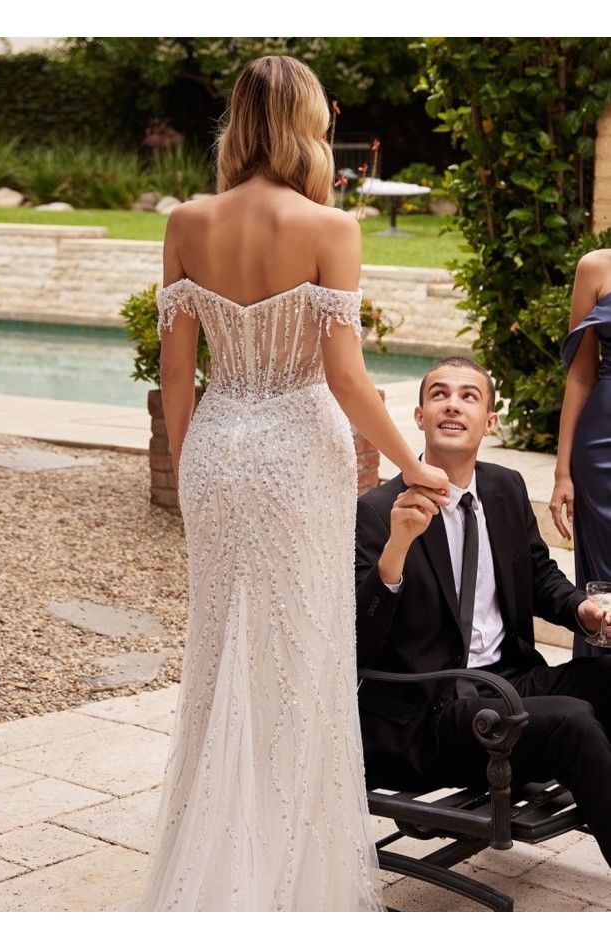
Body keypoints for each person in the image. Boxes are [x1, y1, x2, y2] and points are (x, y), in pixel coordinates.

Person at [134, 55, 449, 912]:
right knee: (300, 652)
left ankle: (215, 862)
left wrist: (201, 459)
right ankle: (285, 874)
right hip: (299, 454)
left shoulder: (185, 220)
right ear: (308, 122)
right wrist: (417, 463)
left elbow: (176, 368)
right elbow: (346, 379)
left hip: (219, 445)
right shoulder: (329, 226)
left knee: (223, 646)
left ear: (236, 121)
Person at [355, 356, 611, 867]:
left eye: (469, 396)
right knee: (572, 722)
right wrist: (396, 551)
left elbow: (539, 577)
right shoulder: (380, 511)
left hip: (509, 681)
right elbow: (358, 640)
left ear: (490, 421)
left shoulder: (505, 488)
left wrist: (582, 609)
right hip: (432, 709)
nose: (453, 403)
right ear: (419, 416)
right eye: (439, 395)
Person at [550, 248, 611, 658]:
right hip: (602, 449)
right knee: (605, 587)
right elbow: (582, 373)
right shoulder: (597, 267)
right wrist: (562, 473)